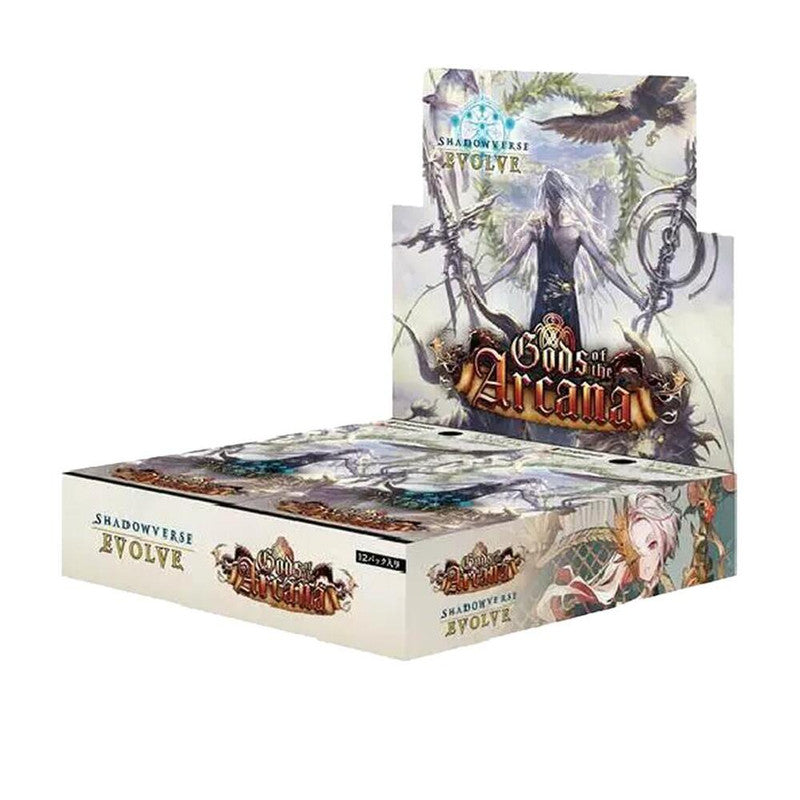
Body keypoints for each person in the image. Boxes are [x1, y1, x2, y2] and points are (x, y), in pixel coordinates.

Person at [485, 169, 647, 345]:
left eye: (556, 196)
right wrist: (487, 285)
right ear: (545, 197)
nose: (553, 201)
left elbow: (604, 264)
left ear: (563, 196)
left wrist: (634, 295)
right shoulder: (537, 228)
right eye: (550, 196)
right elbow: (513, 261)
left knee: (568, 351)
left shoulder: (577, 229)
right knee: (538, 353)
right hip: (543, 303)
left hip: (567, 304)